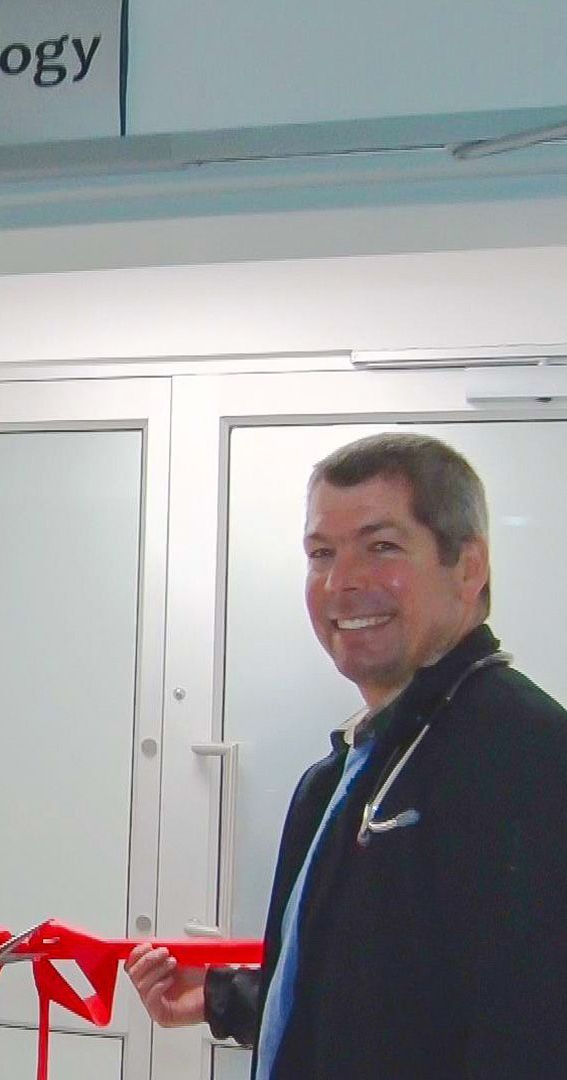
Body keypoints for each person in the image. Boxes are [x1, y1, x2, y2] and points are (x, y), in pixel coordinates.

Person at [126, 432, 567, 1078]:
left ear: (468, 568)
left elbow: (529, 1032)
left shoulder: (532, 762)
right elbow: (393, 998)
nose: (342, 582)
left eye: (381, 547)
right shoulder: (345, 774)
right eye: (321, 553)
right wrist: (234, 998)